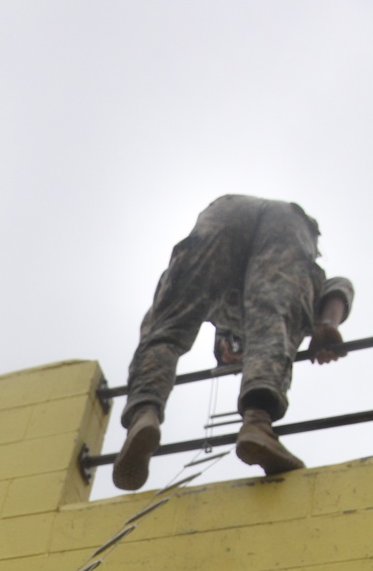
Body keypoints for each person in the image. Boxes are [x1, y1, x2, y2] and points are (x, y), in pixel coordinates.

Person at [113, 195, 354, 490]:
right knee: (273, 316)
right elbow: (338, 286)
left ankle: (144, 412)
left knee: (168, 324)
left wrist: (167, 306)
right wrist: (325, 323)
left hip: (227, 212)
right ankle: (257, 423)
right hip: (288, 224)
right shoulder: (248, 320)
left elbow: (162, 318)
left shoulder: (225, 313)